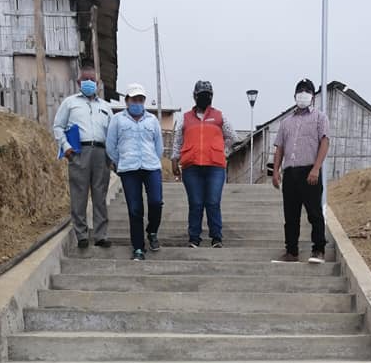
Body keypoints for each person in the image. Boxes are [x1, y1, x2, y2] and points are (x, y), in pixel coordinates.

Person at [53, 63, 112, 249]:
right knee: (79, 194)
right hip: (79, 152)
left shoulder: (106, 107)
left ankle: (101, 235)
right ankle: (81, 234)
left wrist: (111, 155)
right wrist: (66, 147)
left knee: (100, 195)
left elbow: (112, 132)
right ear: (78, 82)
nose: (89, 82)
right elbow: (58, 126)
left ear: (98, 83)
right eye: (85, 79)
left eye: (92, 80)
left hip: (101, 153)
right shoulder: (70, 103)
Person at [171, 80, 237, 248]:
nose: (204, 98)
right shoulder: (185, 118)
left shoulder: (220, 116)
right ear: (194, 96)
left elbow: (232, 137)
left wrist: (222, 151)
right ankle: (194, 238)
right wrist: (174, 160)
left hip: (215, 167)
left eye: (207, 95)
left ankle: (216, 238)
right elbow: (178, 141)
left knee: (213, 202)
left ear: (212, 97)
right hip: (191, 168)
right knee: (196, 203)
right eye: (201, 95)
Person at [272, 78, 330, 263]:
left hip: (309, 171)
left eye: (307, 91)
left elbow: (325, 142)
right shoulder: (286, 122)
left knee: (314, 213)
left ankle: (318, 250)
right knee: (291, 215)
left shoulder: (320, 118)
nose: (303, 94)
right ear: (294, 95)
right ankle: (291, 252)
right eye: (300, 91)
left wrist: (316, 168)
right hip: (290, 173)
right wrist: (275, 171)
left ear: (313, 96)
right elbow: (280, 147)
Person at [106, 83, 164, 261]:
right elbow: (111, 146)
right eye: (134, 99)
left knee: (156, 202)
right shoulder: (117, 120)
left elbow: (159, 146)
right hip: (129, 169)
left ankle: (152, 231)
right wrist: (121, 162)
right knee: (135, 208)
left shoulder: (152, 120)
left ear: (144, 101)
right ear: (127, 101)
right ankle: (138, 247)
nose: (137, 103)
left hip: (151, 167)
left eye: (140, 99)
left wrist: (153, 160)